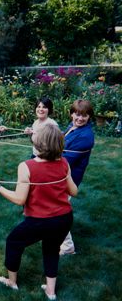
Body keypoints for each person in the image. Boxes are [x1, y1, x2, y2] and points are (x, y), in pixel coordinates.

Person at [0, 124, 78, 300]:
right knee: (51, 249)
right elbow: (74, 191)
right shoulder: (64, 163)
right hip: (64, 219)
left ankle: (12, 282)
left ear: (40, 143)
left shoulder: (26, 166)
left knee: (13, 241)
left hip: (40, 221)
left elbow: (20, 199)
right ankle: (51, 292)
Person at [59, 99, 95, 255]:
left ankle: (67, 247)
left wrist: (44, 152)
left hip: (68, 179)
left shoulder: (86, 136)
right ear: (71, 114)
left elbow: (66, 159)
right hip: (61, 176)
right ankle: (52, 234)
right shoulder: (72, 127)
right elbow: (60, 141)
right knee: (55, 208)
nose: (80, 118)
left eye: (84, 116)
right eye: (77, 114)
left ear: (89, 117)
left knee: (58, 211)